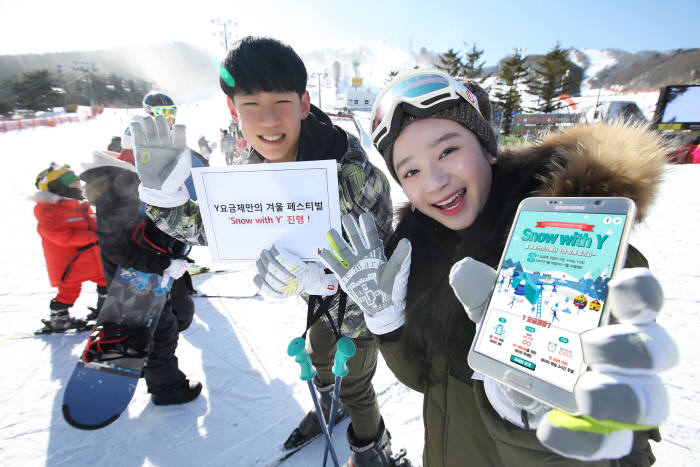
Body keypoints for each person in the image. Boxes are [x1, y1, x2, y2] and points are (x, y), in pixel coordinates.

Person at [318, 69, 678, 466]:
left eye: (447, 151)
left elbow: (627, 452)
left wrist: (524, 416)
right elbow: (427, 380)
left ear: (488, 146)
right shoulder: (423, 249)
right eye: (411, 171)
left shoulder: (579, 254)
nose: (434, 181)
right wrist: (388, 324)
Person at [131, 36, 399, 466]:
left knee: (357, 384)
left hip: (365, 311)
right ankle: (331, 403)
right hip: (320, 304)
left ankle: (371, 448)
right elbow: (213, 229)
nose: (268, 120)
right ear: (233, 111)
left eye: (281, 102)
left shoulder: (351, 175)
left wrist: (323, 275)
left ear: (304, 104)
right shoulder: (250, 171)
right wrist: (163, 200)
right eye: (251, 104)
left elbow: (382, 258)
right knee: (317, 355)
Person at [79, 151, 202, 405]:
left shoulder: (111, 203)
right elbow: (122, 251)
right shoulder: (114, 206)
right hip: (137, 285)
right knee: (161, 334)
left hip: (137, 282)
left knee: (163, 329)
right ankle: (167, 388)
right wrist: (164, 264)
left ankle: (155, 374)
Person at [34, 163, 107, 331]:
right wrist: (94, 237)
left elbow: (94, 224)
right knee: (69, 291)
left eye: (77, 182)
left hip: (92, 257)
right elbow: (60, 236)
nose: (77, 185)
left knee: (106, 280)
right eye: (71, 182)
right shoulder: (48, 210)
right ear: (56, 187)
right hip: (69, 262)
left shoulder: (80, 205)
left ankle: (105, 309)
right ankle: (59, 318)